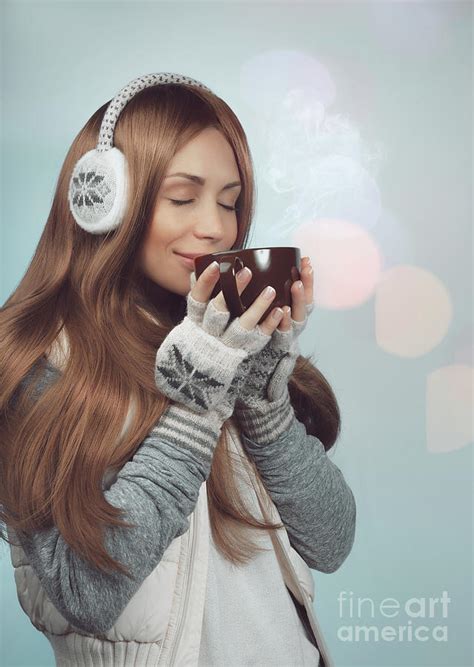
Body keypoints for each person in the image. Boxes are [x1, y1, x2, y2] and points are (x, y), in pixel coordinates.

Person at [0, 72, 356, 666]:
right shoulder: (37, 365)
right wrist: (196, 397)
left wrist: (264, 404)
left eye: (230, 200)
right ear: (104, 201)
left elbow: (332, 541)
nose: (217, 227)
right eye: (182, 197)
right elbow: (85, 590)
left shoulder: (222, 340)